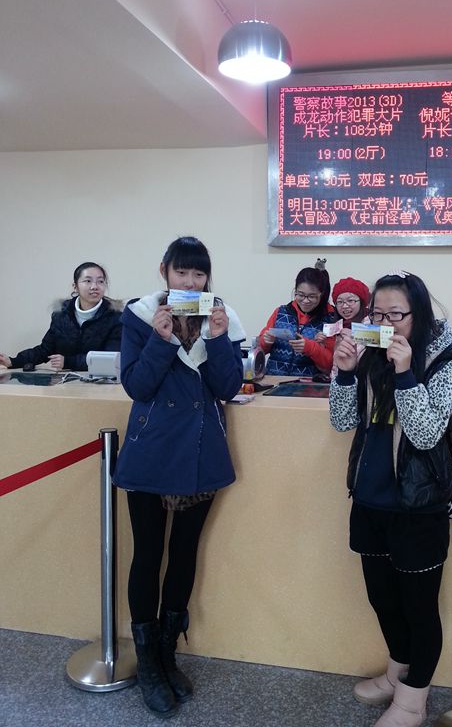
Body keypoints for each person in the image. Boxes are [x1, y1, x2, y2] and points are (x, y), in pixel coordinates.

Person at [112, 236, 245, 718]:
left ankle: (168, 654)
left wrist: (219, 338)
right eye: (182, 272)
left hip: (200, 451)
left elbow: (228, 387)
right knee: (148, 554)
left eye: (199, 273)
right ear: (164, 271)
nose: (190, 281)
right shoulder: (141, 316)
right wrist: (161, 340)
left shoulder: (220, 316)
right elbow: (137, 386)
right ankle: (148, 662)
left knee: (184, 553)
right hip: (152, 451)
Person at [329, 272, 452, 727]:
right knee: (382, 599)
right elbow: (343, 421)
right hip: (370, 499)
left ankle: (412, 699)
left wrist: (405, 373)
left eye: (396, 315)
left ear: (418, 315)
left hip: (417, 505)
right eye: (378, 314)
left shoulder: (445, 358)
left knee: (419, 609)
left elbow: (425, 434)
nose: (385, 323)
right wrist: (346, 373)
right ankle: (396, 673)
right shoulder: (370, 352)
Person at [0, 262, 121, 371]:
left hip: (102, 381)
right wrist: (13, 361)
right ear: (75, 286)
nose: (94, 286)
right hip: (66, 382)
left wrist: (68, 362)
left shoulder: (116, 317)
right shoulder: (62, 314)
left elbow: (110, 358)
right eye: (88, 281)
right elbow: (45, 350)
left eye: (100, 281)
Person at [258, 260, 335, 377]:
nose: (305, 301)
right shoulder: (281, 312)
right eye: (300, 294)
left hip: (308, 384)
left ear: (322, 294)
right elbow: (258, 350)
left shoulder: (330, 319)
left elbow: (330, 364)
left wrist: (311, 347)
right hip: (273, 380)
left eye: (312, 296)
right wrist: (265, 342)